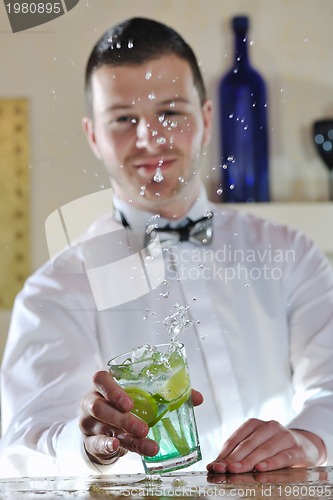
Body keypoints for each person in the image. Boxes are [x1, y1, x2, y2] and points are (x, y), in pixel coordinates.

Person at [1, 17, 333, 478]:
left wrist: (308, 438)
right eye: (123, 119)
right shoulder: (53, 293)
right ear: (93, 135)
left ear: (207, 118)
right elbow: (23, 448)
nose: (150, 138)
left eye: (171, 112)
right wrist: (86, 445)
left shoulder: (293, 254)